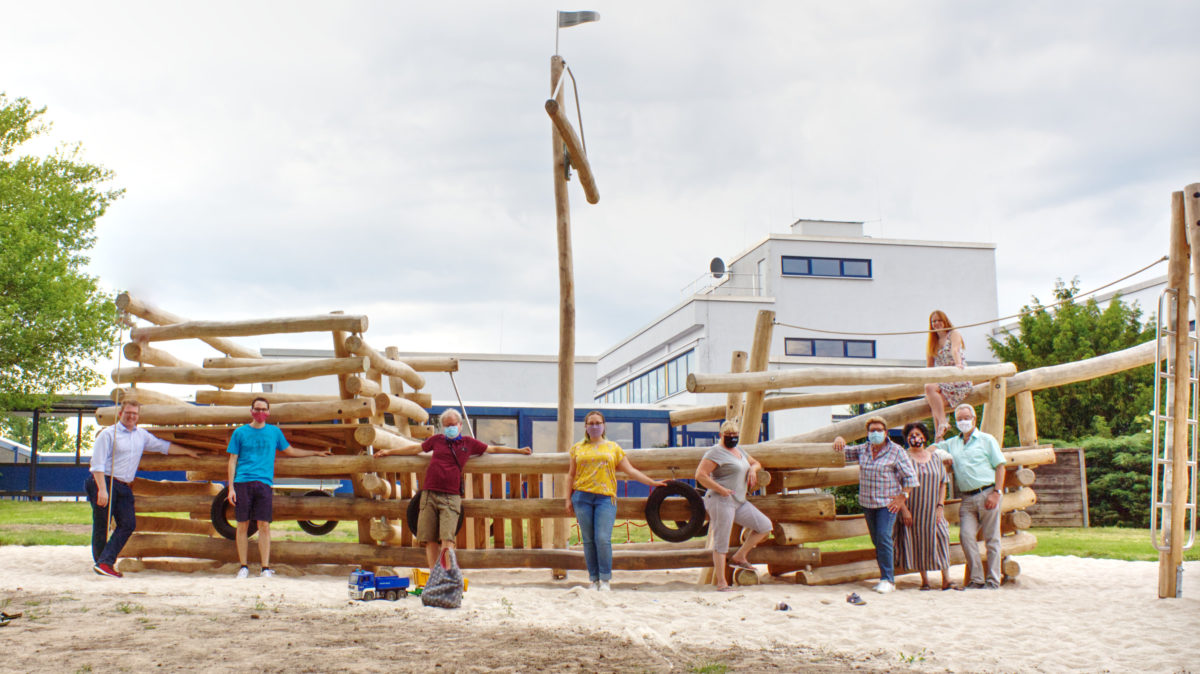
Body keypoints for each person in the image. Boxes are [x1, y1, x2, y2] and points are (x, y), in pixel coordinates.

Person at [384, 408, 530, 569]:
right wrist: (389, 452)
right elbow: (415, 449)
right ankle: (435, 574)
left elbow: (493, 449)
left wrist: (518, 451)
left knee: (447, 538)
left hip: (451, 496)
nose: (450, 428)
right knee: (428, 537)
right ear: (442, 427)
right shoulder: (437, 440)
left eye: (453, 425)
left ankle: (447, 573)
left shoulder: (468, 443)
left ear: (460, 425)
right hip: (429, 493)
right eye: (447, 425)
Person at [87, 398, 200, 578]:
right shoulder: (108, 434)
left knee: (128, 524)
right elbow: (97, 464)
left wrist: (187, 451)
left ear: (138, 416)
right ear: (120, 414)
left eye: (135, 414)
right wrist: (102, 489)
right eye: (128, 413)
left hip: (124, 485)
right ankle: (103, 563)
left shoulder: (141, 435)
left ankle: (104, 562)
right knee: (102, 524)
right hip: (104, 481)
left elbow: (162, 446)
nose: (131, 416)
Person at [227, 397, 332, 578]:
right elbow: (232, 460)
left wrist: (314, 452)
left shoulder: (274, 432)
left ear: (268, 412)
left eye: (263, 410)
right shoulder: (240, 432)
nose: (260, 413)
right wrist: (230, 488)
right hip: (242, 482)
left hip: (265, 483)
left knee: (264, 525)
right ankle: (243, 566)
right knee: (242, 525)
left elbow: (290, 451)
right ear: (251, 411)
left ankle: (265, 568)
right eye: (257, 409)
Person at [565, 410, 665, 591]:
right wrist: (567, 499)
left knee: (602, 538)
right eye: (591, 423)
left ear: (603, 426)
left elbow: (631, 471)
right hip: (582, 497)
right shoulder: (577, 448)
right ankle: (593, 579)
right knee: (588, 540)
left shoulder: (613, 447)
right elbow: (571, 474)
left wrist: (652, 482)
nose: (594, 426)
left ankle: (605, 579)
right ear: (586, 427)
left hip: (606, 498)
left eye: (597, 423)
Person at [833, 416, 918, 594]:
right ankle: (885, 573)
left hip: (887, 504)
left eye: (879, 430)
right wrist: (839, 440)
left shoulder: (896, 451)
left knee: (883, 536)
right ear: (868, 433)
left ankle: (888, 579)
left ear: (886, 432)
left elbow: (910, 477)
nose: (876, 433)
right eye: (872, 430)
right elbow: (844, 452)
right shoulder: (863, 449)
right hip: (868, 502)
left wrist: (902, 497)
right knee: (877, 540)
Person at [931, 403, 1007, 589]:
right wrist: (940, 436)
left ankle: (993, 580)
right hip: (966, 498)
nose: (963, 421)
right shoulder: (953, 443)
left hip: (988, 492)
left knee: (992, 539)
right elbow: (931, 449)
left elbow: (1000, 466)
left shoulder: (986, 440)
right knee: (966, 536)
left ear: (974, 419)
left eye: (966, 418)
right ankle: (976, 578)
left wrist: (997, 492)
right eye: (960, 419)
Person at [694, 420, 772, 591]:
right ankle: (722, 582)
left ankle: (740, 556)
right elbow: (700, 475)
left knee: (765, 526)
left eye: (735, 436)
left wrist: (753, 470)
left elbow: (756, 462)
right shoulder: (715, 452)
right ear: (721, 435)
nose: (732, 439)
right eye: (729, 436)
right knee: (722, 541)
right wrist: (720, 489)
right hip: (721, 501)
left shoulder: (739, 450)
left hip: (739, 501)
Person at [893, 422, 956, 591]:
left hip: (933, 508)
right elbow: (896, 485)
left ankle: (946, 578)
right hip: (912, 509)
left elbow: (943, 483)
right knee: (917, 541)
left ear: (925, 437)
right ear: (906, 438)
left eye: (919, 434)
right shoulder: (903, 458)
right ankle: (925, 580)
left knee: (941, 537)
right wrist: (904, 510)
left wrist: (940, 506)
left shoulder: (935, 458)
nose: (916, 438)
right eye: (912, 435)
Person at [923, 310, 971, 440]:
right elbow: (929, 366)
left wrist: (958, 365)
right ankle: (940, 435)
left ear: (945, 321)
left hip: (956, 376)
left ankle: (942, 425)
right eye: (934, 321)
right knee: (935, 402)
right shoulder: (932, 342)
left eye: (939, 320)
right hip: (942, 379)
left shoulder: (954, 334)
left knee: (930, 389)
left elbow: (955, 350)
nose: (936, 323)